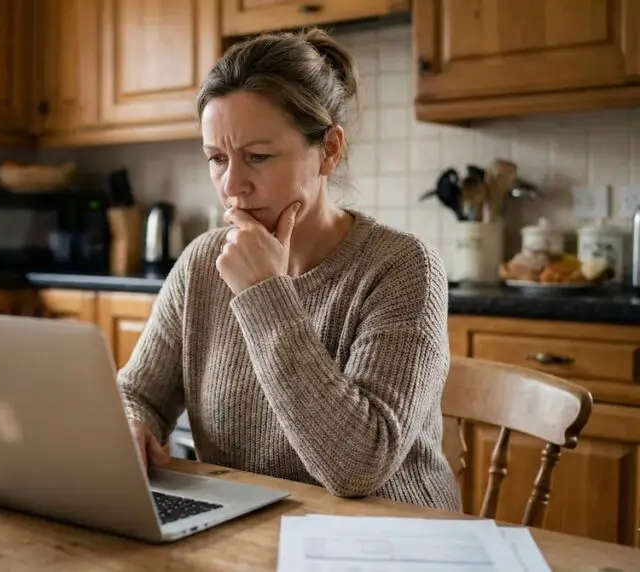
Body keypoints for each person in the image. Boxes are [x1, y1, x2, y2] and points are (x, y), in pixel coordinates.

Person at [118, 28, 461, 512]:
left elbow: (358, 465)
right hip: (247, 529)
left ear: (330, 150)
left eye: (258, 157)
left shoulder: (403, 269)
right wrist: (132, 423)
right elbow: (137, 392)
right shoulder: (202, 262)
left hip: (390, 537)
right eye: (217, 159)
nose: (233, 185)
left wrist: (264, 293)